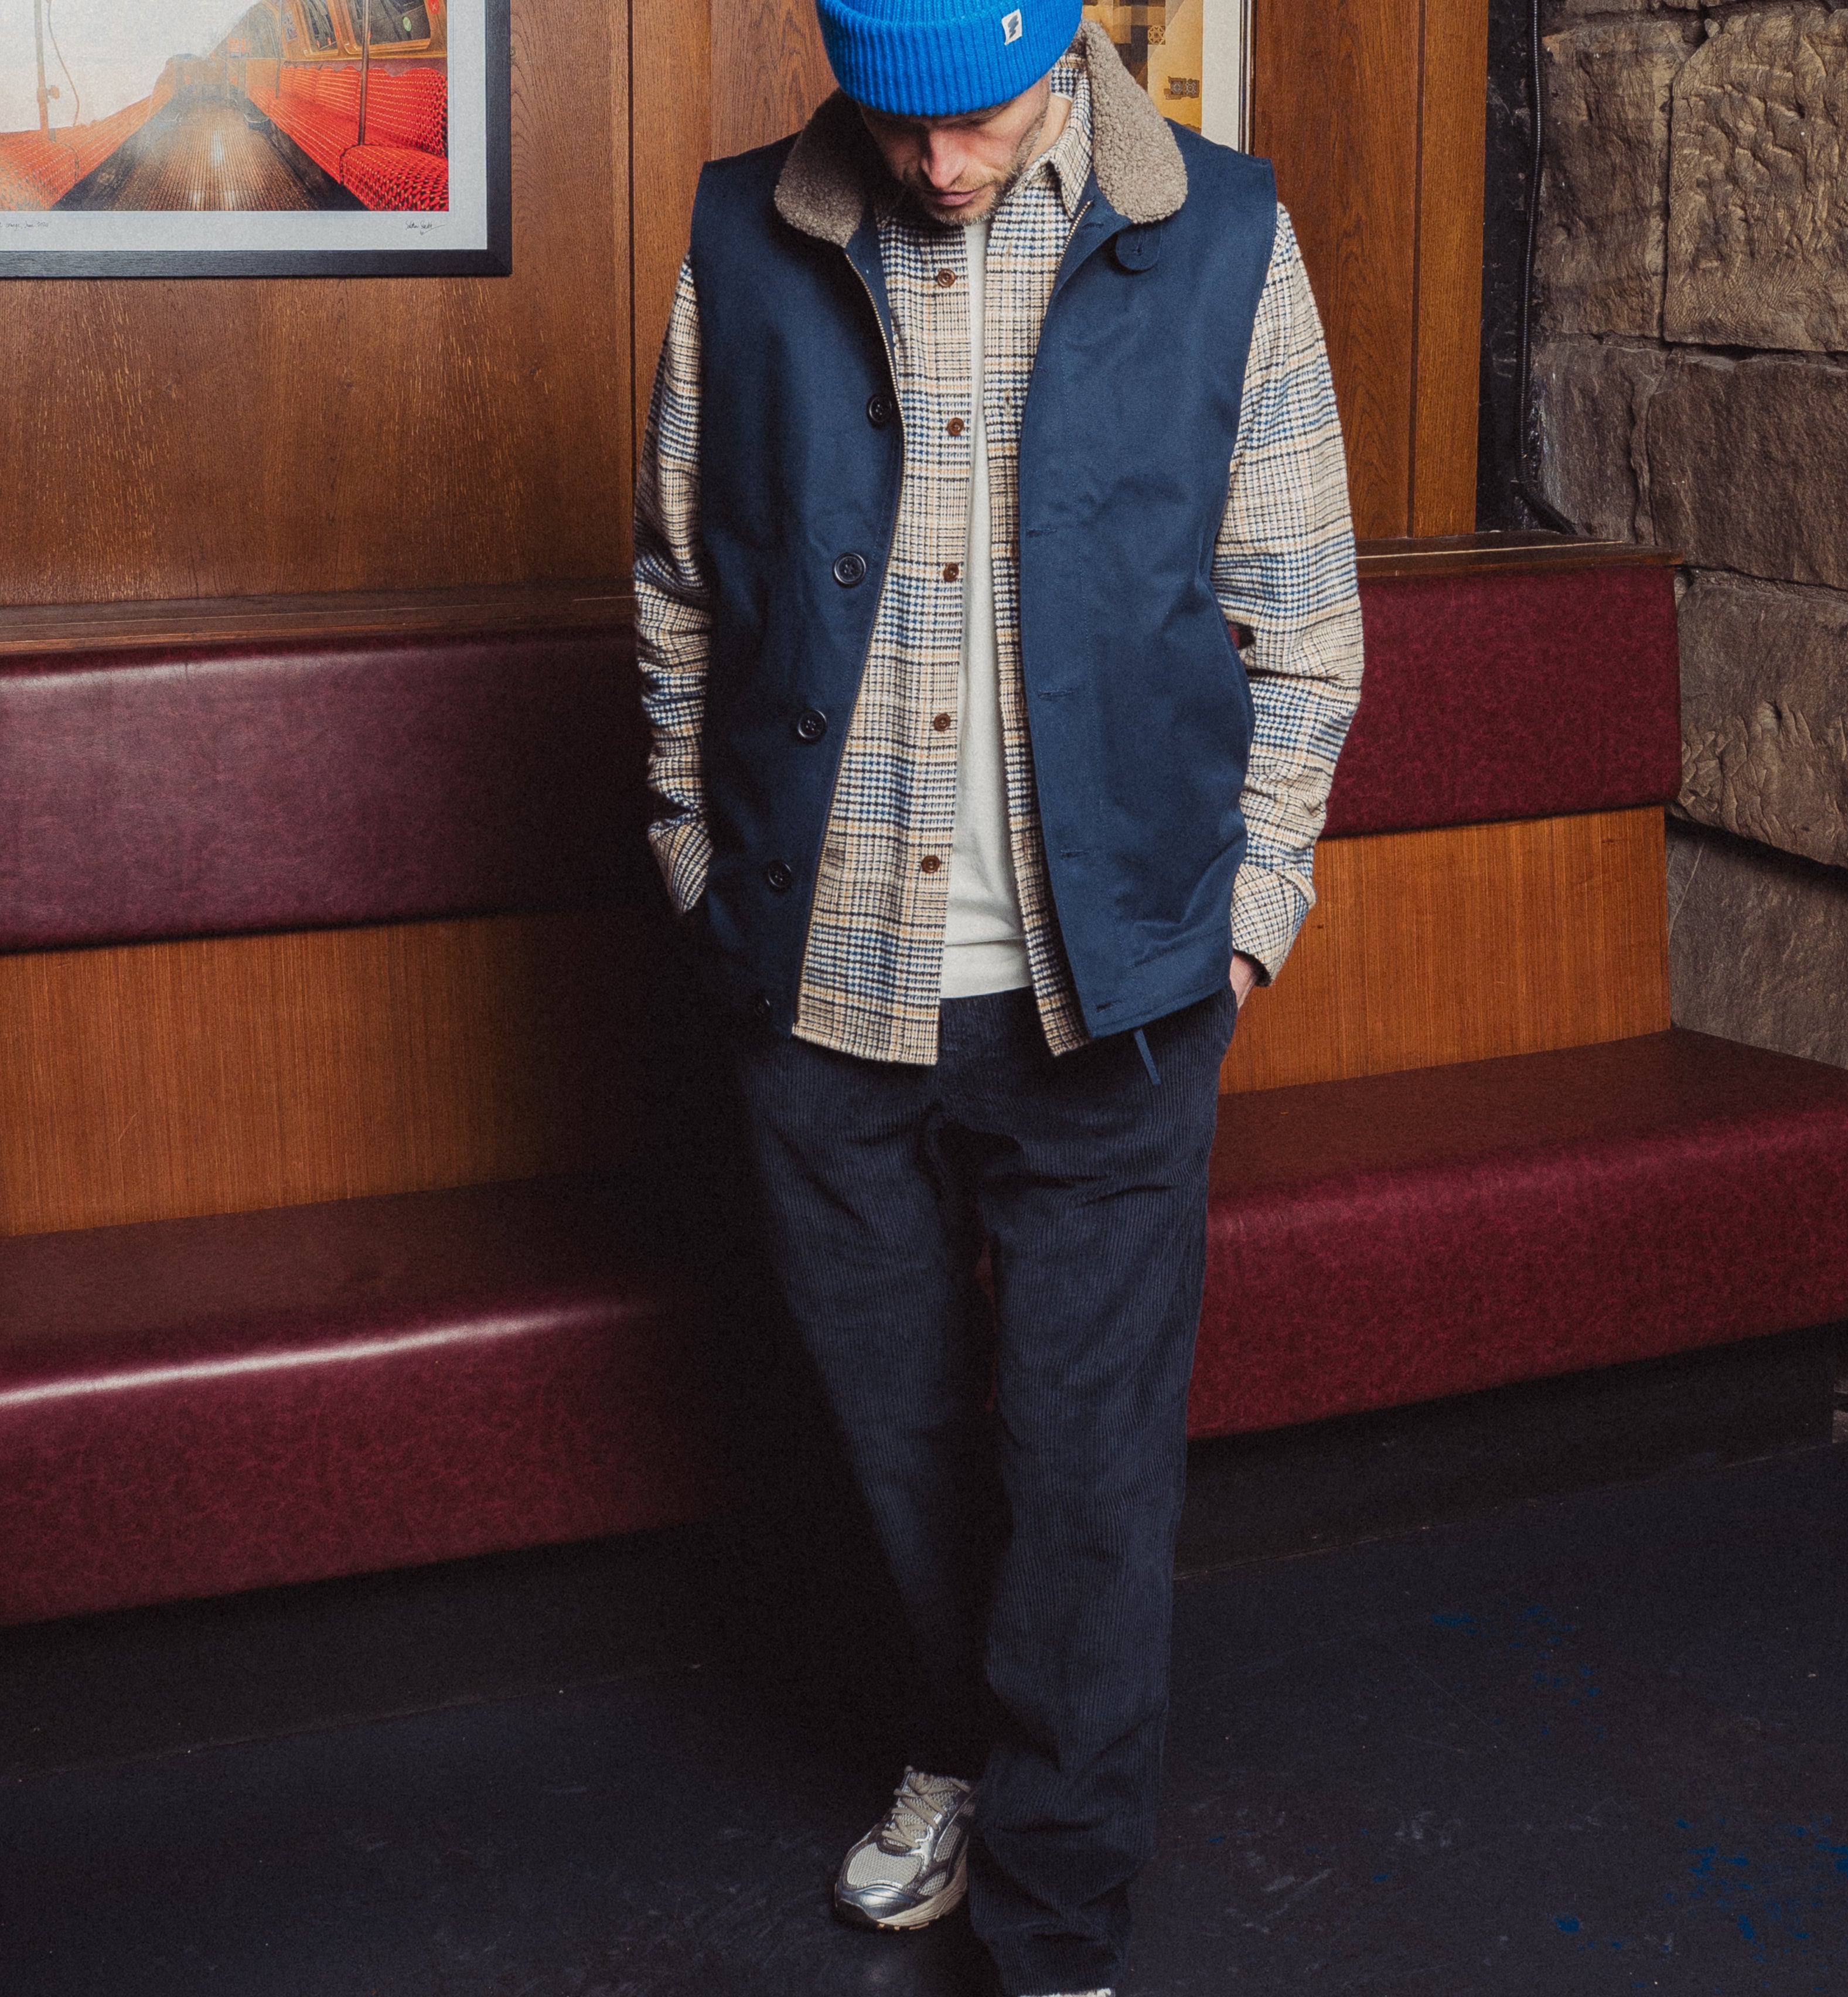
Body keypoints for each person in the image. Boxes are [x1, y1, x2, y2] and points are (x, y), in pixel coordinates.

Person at [635, 1, 1362, 1988]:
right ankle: (952, 1753)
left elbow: (1299, 620)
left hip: (1112, 995)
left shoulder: (1219, 236)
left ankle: (1056, 1928)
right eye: (896, 118)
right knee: (894, 1445)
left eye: (977, 117)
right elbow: (677, 598)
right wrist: (706, 877)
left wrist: (1243, 916)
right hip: (825, 982)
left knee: (1086, 1476)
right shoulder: (743, 236)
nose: (936, 162)